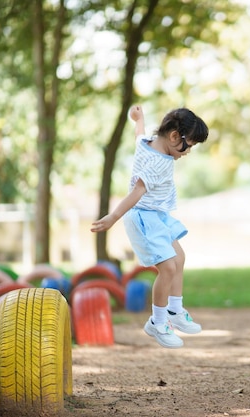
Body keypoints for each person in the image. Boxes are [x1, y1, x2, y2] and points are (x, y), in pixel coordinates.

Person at [90, 105, 209, 348]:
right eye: (190, 145)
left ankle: (175, 311)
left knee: (179, 257)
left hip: (157, 215)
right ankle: (157, 321)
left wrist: (138, 119)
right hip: (144, 217)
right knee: (167, 268)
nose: (189, 152)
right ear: (175, 137)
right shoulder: (160, 163)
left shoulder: (148, 143)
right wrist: (113, 216)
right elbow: (138, 191)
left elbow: (138, 135)